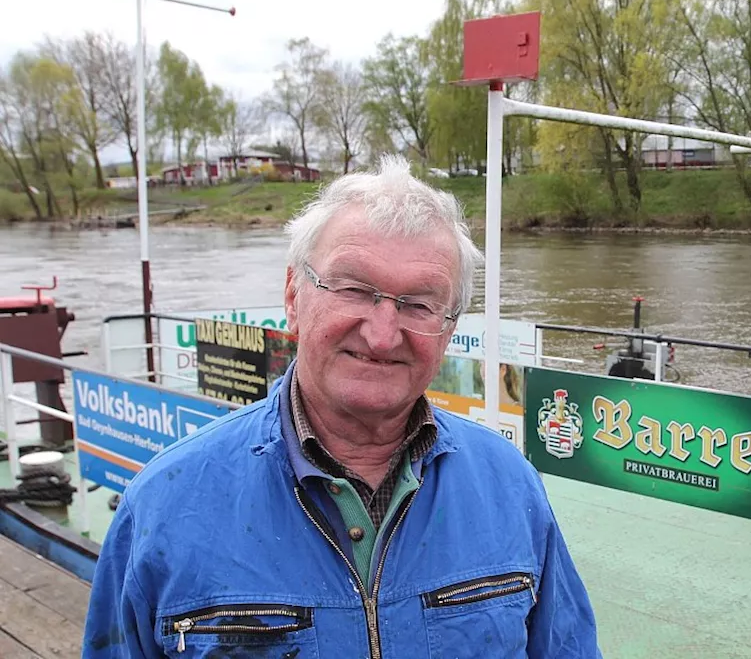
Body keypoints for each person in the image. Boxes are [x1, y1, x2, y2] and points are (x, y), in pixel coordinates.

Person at [82, 154, 602, 658]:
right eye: (354, 290)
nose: (381, 335)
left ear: (449, 329)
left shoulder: (511, 486)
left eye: (419, 303)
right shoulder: (163, 506)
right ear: (293, 296)